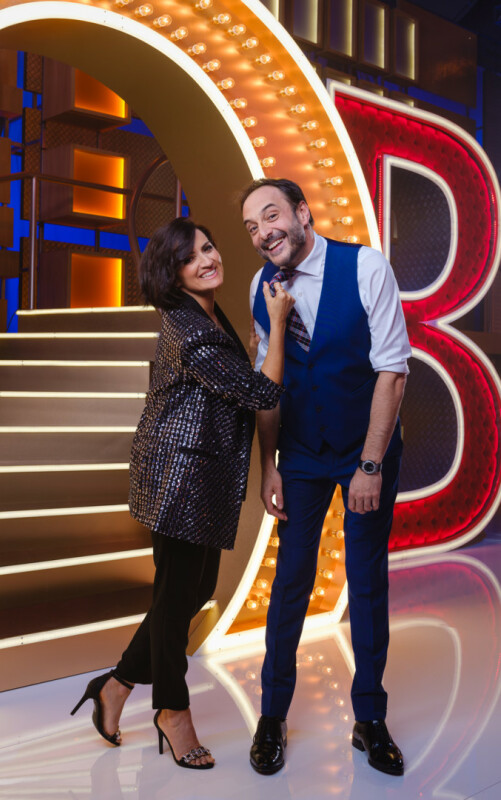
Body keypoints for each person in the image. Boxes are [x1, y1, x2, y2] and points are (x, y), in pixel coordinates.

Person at [71, 217, 294, 770]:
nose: (207, 260)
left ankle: (115, 685)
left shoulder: (207, 313)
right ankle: (172, 712)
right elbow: (261, 392)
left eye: (208, 248)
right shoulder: (189, 327)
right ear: (172, 274)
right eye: (191, 257)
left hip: (200, 475)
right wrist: (277, 325)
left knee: (192, 592)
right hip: (179, 478)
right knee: (175, 601)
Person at [241, 178, 411, 777]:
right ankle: (272, 716)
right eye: (252, 227)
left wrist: (370, 464)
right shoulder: (261, 287)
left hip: (366, 448)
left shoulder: (365, 267)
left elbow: (392, 370)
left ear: (303, 213)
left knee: (365, 582)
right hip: (301, 452)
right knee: (290, 581)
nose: (263, 233)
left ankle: (370, 719)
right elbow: (268, 386)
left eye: (271, 216)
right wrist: (269, 464)